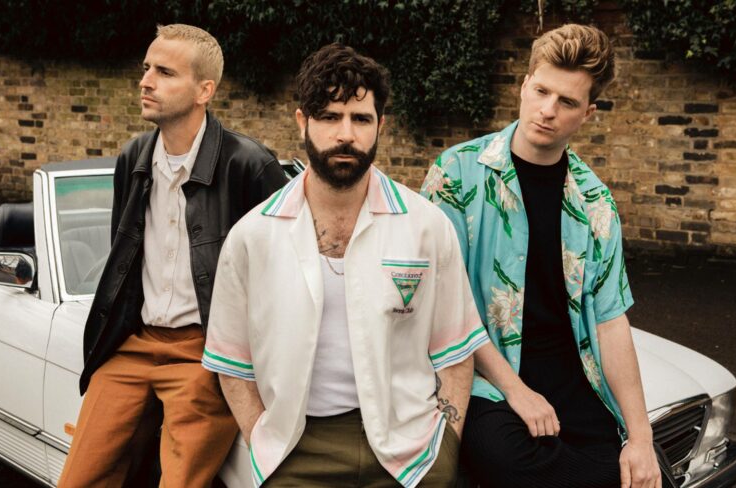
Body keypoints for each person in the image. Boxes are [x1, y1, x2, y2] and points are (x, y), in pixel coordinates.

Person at [203, 43, 489, 487]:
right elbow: (231, 360)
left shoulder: (425, 227)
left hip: (410, 449)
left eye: (360, 119)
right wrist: (261, 436)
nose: (346, 134)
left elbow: (455, 350)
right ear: (303, 122)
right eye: (330, 117)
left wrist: (446, 445)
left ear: (380, 126)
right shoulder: (252, 236)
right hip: (297, 449)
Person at [421, 24, 663, 488]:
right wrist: (517, 391)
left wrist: (641, 437)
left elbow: (611, 321)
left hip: (574, 380)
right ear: (523, 86)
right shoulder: (456, 176)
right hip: (485, 377)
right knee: (507, 458)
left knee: (634, 464)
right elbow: (443, 308)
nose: (547, 111)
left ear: (588, 113)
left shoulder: (596, 202)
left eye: (567, 102)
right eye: (541, 91)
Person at [58, 24, 288, 488]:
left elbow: (283, 272)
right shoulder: (133, 157)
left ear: (205, 90)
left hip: (204, 353)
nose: (146, 80)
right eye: (146, 68)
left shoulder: (248, 164)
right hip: (134, 343)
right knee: (79, 478)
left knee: (180, 481)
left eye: (164, 72)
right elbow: (121, 264)